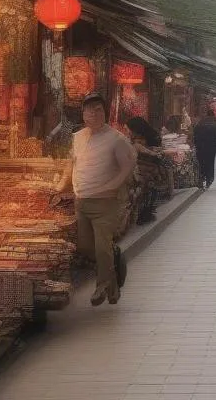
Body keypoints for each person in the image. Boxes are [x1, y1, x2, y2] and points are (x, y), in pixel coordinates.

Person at [52, 92, 136, 306]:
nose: (94, 114)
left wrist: (113, 186)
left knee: (100, 247)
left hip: (106, 203)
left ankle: (101, 287)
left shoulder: (116, 139)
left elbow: (128, 166)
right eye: (90, 110)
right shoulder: (77, 137)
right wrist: (61, 186)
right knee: (85, 247)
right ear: (83, 114)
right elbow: (71, 164)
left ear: (105, 112)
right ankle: (113, 277)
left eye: (99, 109)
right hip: (82, 201)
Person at [124, 116, 169, 224]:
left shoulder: (138, 143)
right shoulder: (151, 139)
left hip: (145, 173)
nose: (127, 132)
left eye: (128, 130)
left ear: (136, 130)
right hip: (152, 174)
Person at [193, 109, 216, 189]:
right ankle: (209, 179)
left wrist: (196, 145)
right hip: (211, 147)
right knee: (210, 163)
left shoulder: (200, 123)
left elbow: (195, 135)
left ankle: (200, 180)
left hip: (200, 147)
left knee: (201, 164)